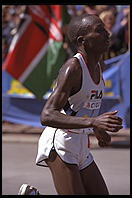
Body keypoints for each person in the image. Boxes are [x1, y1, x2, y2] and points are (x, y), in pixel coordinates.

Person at [18, 14, 123, 195]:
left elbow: (82, 106)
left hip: (81, 142)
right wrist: (93, 123)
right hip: (60, 142)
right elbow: (47, 115)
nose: (107, 33)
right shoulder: (73, 68)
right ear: (83, 41)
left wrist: (98, 129)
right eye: (99, 30)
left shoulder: (99, 65)